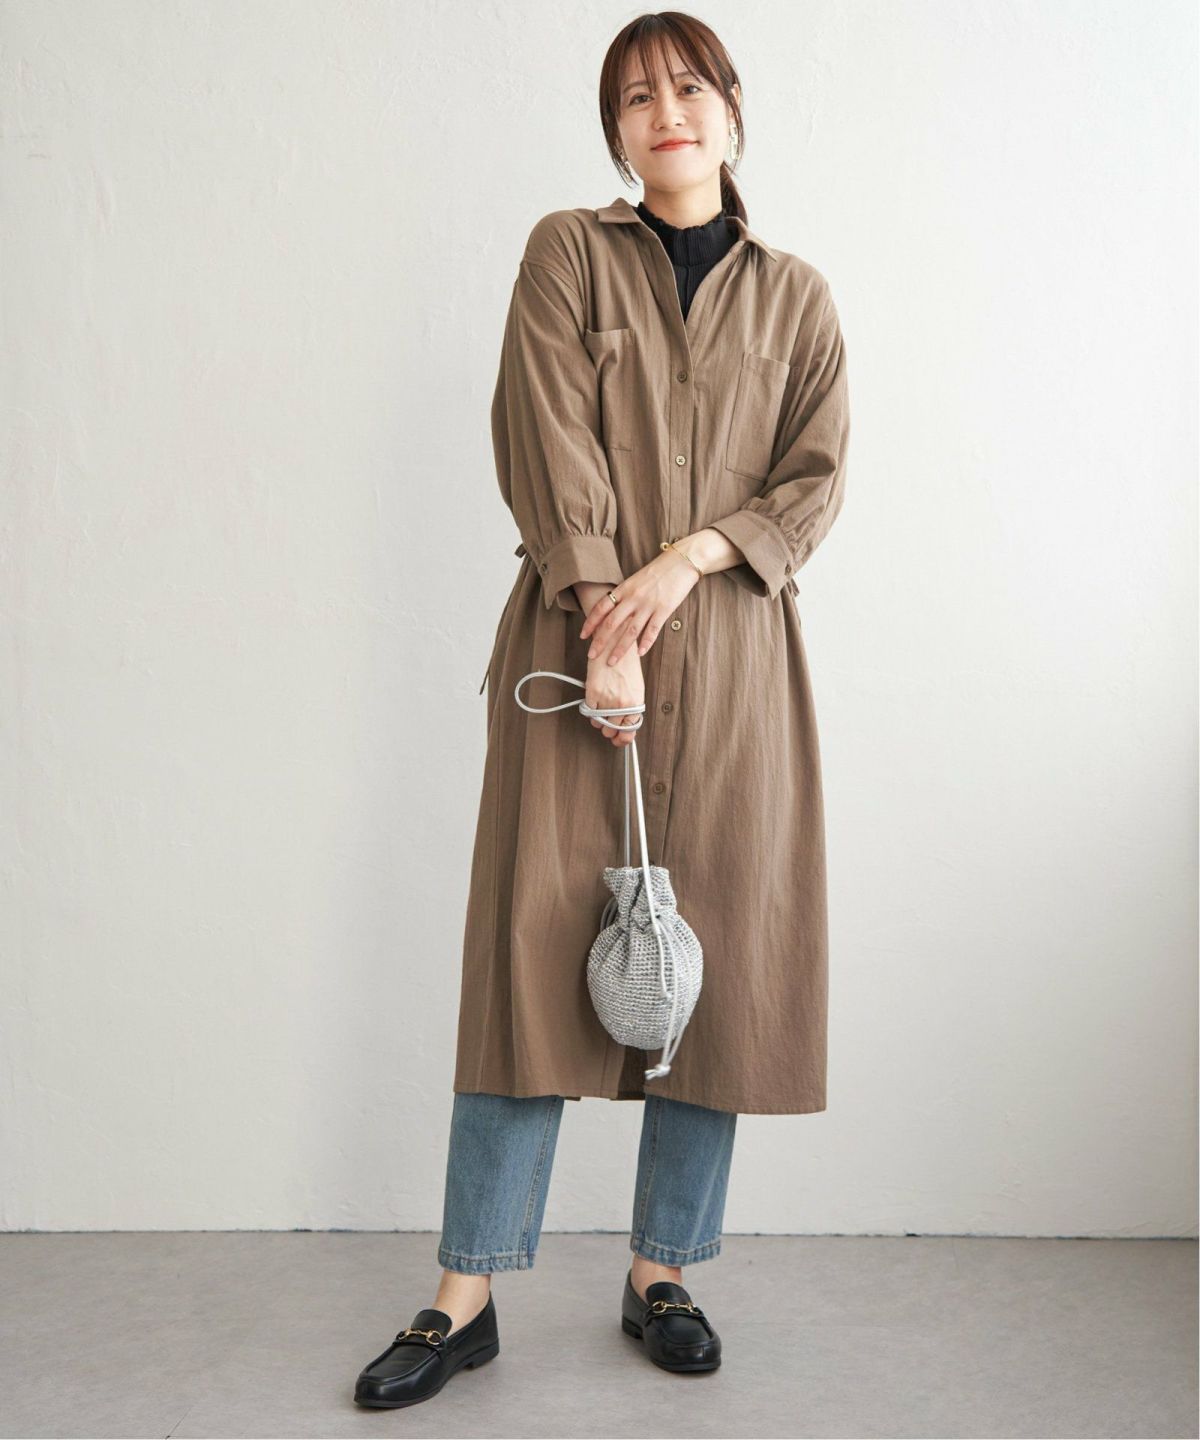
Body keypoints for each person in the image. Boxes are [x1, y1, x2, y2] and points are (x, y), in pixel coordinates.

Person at [354, 9, 850, 1410]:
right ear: (615, 130)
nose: (664, 112)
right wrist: (603, 614)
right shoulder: (567, 251)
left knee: (717, 960)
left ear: (732, 109)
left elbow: (813, 479)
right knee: (531, 954)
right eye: (635, 97)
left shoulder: (799, 297)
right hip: (577, 653)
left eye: (687, 87)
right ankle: (464, 1294)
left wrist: (686, 563)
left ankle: (662, 1271)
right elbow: (544, 427)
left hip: (738, 663)